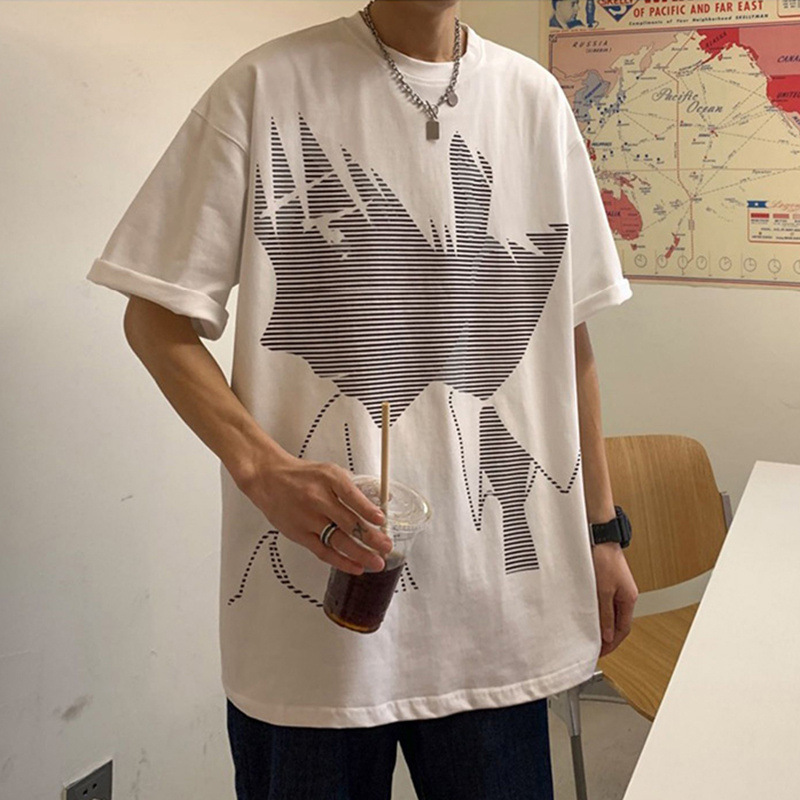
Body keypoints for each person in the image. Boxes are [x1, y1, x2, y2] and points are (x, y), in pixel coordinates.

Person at [86, 1, 638, 797]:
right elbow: (154, 315)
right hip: (313, 618)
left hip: (494, 619)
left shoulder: (534, 99)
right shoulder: (265, 86)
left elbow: (567, 336)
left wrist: (602, 531)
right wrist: (261, 468)